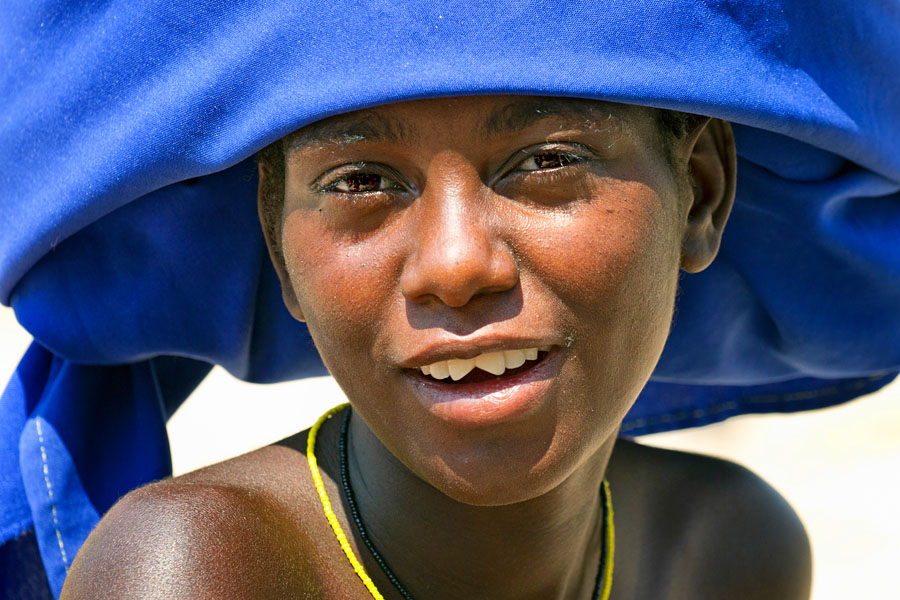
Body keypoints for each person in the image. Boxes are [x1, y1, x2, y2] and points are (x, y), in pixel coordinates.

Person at [1, 2, 898, 598]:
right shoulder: (197, 575)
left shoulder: (725, 552)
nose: (456, 264)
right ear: (279, 247)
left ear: (699, 192)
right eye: (361, 180)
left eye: (548, 160)